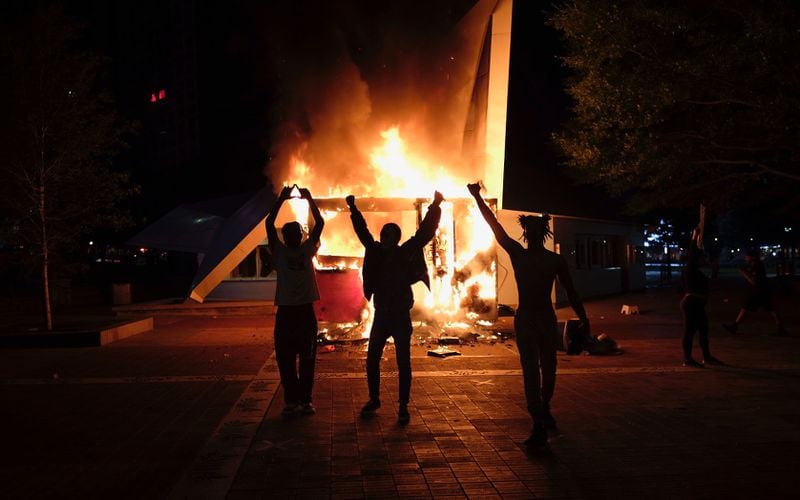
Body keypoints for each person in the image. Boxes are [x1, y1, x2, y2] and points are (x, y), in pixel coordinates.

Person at [468, 182, 589, 450]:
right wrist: (477, 198)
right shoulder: (531, 258)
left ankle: (542, 411)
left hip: (540, 318)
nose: (532, 235)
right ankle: (539, 417)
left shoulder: (542, 259)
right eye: (530, 231)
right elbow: (494, 228)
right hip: (532, 318)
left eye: (534, 231)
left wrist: (584, 318)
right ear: (530, 233)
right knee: (535, 370)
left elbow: (571, 291)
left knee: (543, 369)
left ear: (537, 233)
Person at [347, 191, 443, 424]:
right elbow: (363, 233)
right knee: (372, 359)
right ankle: (374, 398)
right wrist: (353, 209)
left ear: (395, 238)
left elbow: (424, 234)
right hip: (382, 316)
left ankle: (403, 405)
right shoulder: (376, 252)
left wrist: (435, 206)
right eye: (382, 234)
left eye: (387, 235)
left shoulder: (403, 253)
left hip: (400, 316)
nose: (382, 238)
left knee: (404, 362)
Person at [265, 185, 324, 416]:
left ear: (300, 235)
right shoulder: (279, 252)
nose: (293, 237)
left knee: (307, 358)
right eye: (290, 234)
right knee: (286, 359)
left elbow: (319, 225)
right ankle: (292, 401)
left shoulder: (307, 249)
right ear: (286, 237)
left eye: (296, 233)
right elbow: (269, 225)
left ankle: (304, 400)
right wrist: (282, 200)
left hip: (303, 312)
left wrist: (309, 199)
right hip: (288, 312)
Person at [680, 223, 722, 368]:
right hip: (691, 303)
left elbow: (710, 284)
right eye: (703, 257)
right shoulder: (691, 268)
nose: (706, 260)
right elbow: (693, 253)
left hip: (697, 304)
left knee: (703, 329)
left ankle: (707, 357)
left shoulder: (699, 271)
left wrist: (714, 270)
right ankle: (687, 359)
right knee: (690, 330)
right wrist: (694, 235)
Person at [724, 249, 788, 336]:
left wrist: (743, 273)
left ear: (752, 257)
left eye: (747, 256)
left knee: (748, 307)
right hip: (760, 291)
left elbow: (753, 281)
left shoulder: (757, 266)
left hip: (759, 291)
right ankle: (781, 328)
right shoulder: (754, 265)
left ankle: (735, 326)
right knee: (768, 309)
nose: (745, 258)